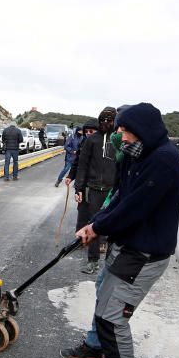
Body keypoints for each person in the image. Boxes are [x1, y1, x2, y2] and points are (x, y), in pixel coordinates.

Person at [72, 103, 179, 358]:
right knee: (104, 308)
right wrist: (96, 223)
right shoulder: (141, 155)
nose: (119, 135)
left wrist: (98, 228)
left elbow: (135, 207)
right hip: (129, 247)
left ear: (142, 129)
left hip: (144, 253)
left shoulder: (163, 159)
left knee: (111, 318)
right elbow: (121, 196)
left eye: (124, 129)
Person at [74, 107, 118, 274]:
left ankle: (111, 261)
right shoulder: (91, 140)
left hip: (113, 191)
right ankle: (92, 261)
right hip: (93, 189)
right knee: (93, 224)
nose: (105, 123)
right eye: (103, 120)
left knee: (114, 225)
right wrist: (79, 188)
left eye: (109, 120)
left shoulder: (118, 140)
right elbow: (82, 166)